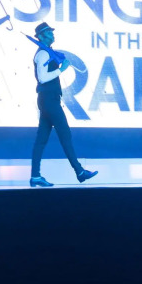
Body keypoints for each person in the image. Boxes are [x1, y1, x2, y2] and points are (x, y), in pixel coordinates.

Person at [30, 22, 97, 187]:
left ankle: (35, 176)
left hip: (48, 99)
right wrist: (62, 69)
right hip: (49, 100)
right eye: (48, 32)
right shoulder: (42, 54)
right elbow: (42, 78)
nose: (52, 34)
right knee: (64, 134)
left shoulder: (47, 52)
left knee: (41, 139)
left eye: (51, 31)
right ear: (41, 36)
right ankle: (79, 172)